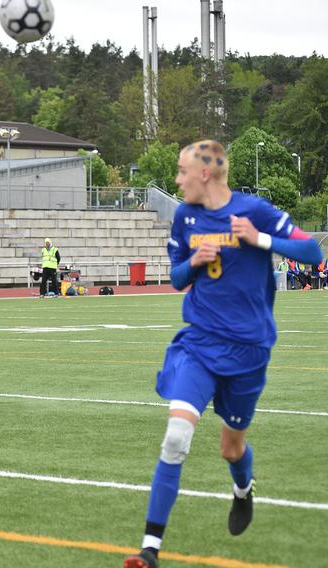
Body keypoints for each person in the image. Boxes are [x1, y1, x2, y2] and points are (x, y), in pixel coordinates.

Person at [124, 140, 324, 568]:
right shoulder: (185, 216)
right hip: (199, 343)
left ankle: (242, 490)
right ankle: (150, 548)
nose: (176, 180)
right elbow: (178, 278)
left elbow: (313, 251)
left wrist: (260, 239)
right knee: (176, 437)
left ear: (205, 173)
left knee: (231, 449)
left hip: (250, 349)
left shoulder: (255, 210)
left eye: (181, 172)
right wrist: (195, 259)